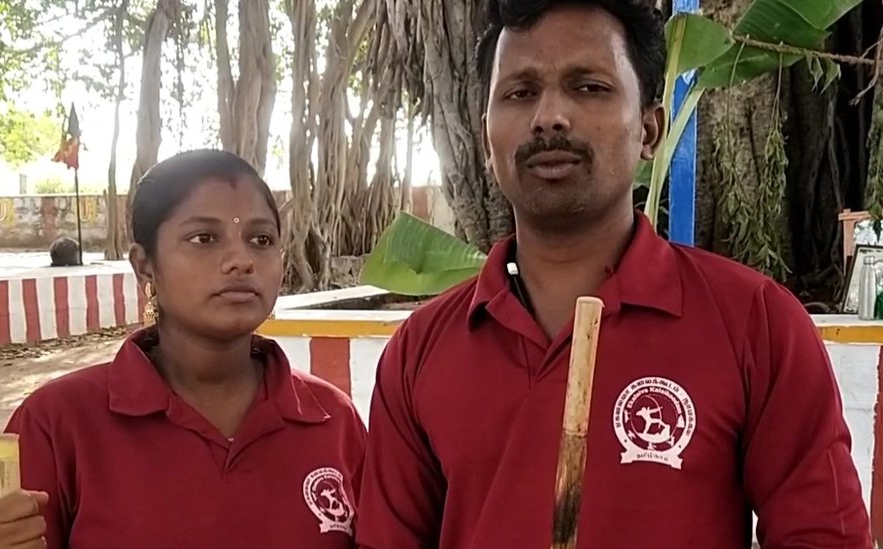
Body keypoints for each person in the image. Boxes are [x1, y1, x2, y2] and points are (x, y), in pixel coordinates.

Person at [355, 1, 872, 548]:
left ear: (649, 130)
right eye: (520, 92)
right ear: (487, 139)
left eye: (588, 87)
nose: (549, 116)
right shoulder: (419, 352)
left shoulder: (756, 326)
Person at [0, 150, 366, 549]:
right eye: (204, 238)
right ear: (144, 266)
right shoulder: (58, 422)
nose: (241, 260)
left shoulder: (333, 421)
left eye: (261, 239)